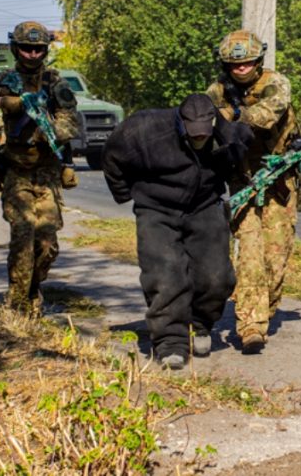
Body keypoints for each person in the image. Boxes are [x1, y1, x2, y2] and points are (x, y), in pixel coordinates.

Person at [102, 94, 253, 370]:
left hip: (204, 205)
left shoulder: (225, 131)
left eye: (203, 136)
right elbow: (112, 158)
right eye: (193, 136)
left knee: (217, 276)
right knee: (166, 275)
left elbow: (243, 148)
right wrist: (126, 195)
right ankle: (171, 341)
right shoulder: (144, 129)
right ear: (181, 125)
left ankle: (200, 324)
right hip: (156, 207)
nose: (199, 140)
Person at [0, 21, 80, 316]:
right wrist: (4, 101)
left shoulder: (55, 85)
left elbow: (71, 122)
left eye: (38, 49)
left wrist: (49, 127)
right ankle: (19, 305)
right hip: (16, 171)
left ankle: (33, 286)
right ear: (16, 48)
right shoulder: (3, 78)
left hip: (47, 171)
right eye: (27, 48)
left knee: (47, 243)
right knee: (23, 235)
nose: (32, 54)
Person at [206, 30, 299, 354]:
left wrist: (231, 118)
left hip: (277, 180)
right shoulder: (216, 91)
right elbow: (204, 123)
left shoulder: (276, 83)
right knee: (250, 256)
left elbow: (266, 114)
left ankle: (265, 310)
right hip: (242, 180)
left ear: (258, 61)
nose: (241, 68)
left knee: (276, 259)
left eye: (247, 62)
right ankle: (250, 326)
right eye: (234, 64)